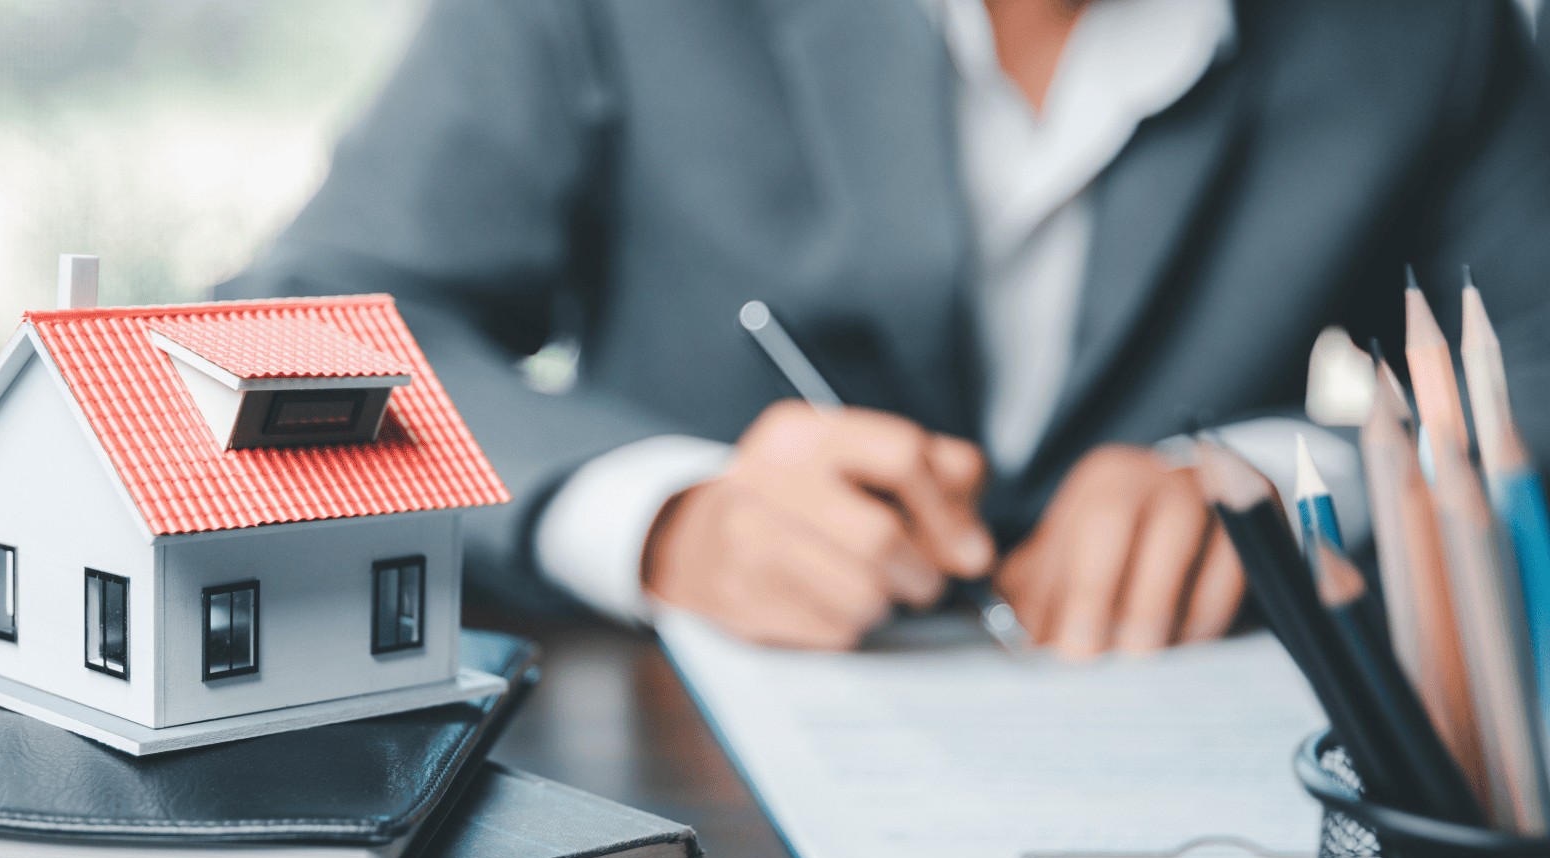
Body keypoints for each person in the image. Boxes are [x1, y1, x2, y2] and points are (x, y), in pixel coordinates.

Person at [220, 0, 1550, 655]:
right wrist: (666, 516)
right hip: (681, 810)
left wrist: (1281, 481)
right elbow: (292, 340)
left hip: (1221, 831)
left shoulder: (1427, 28)